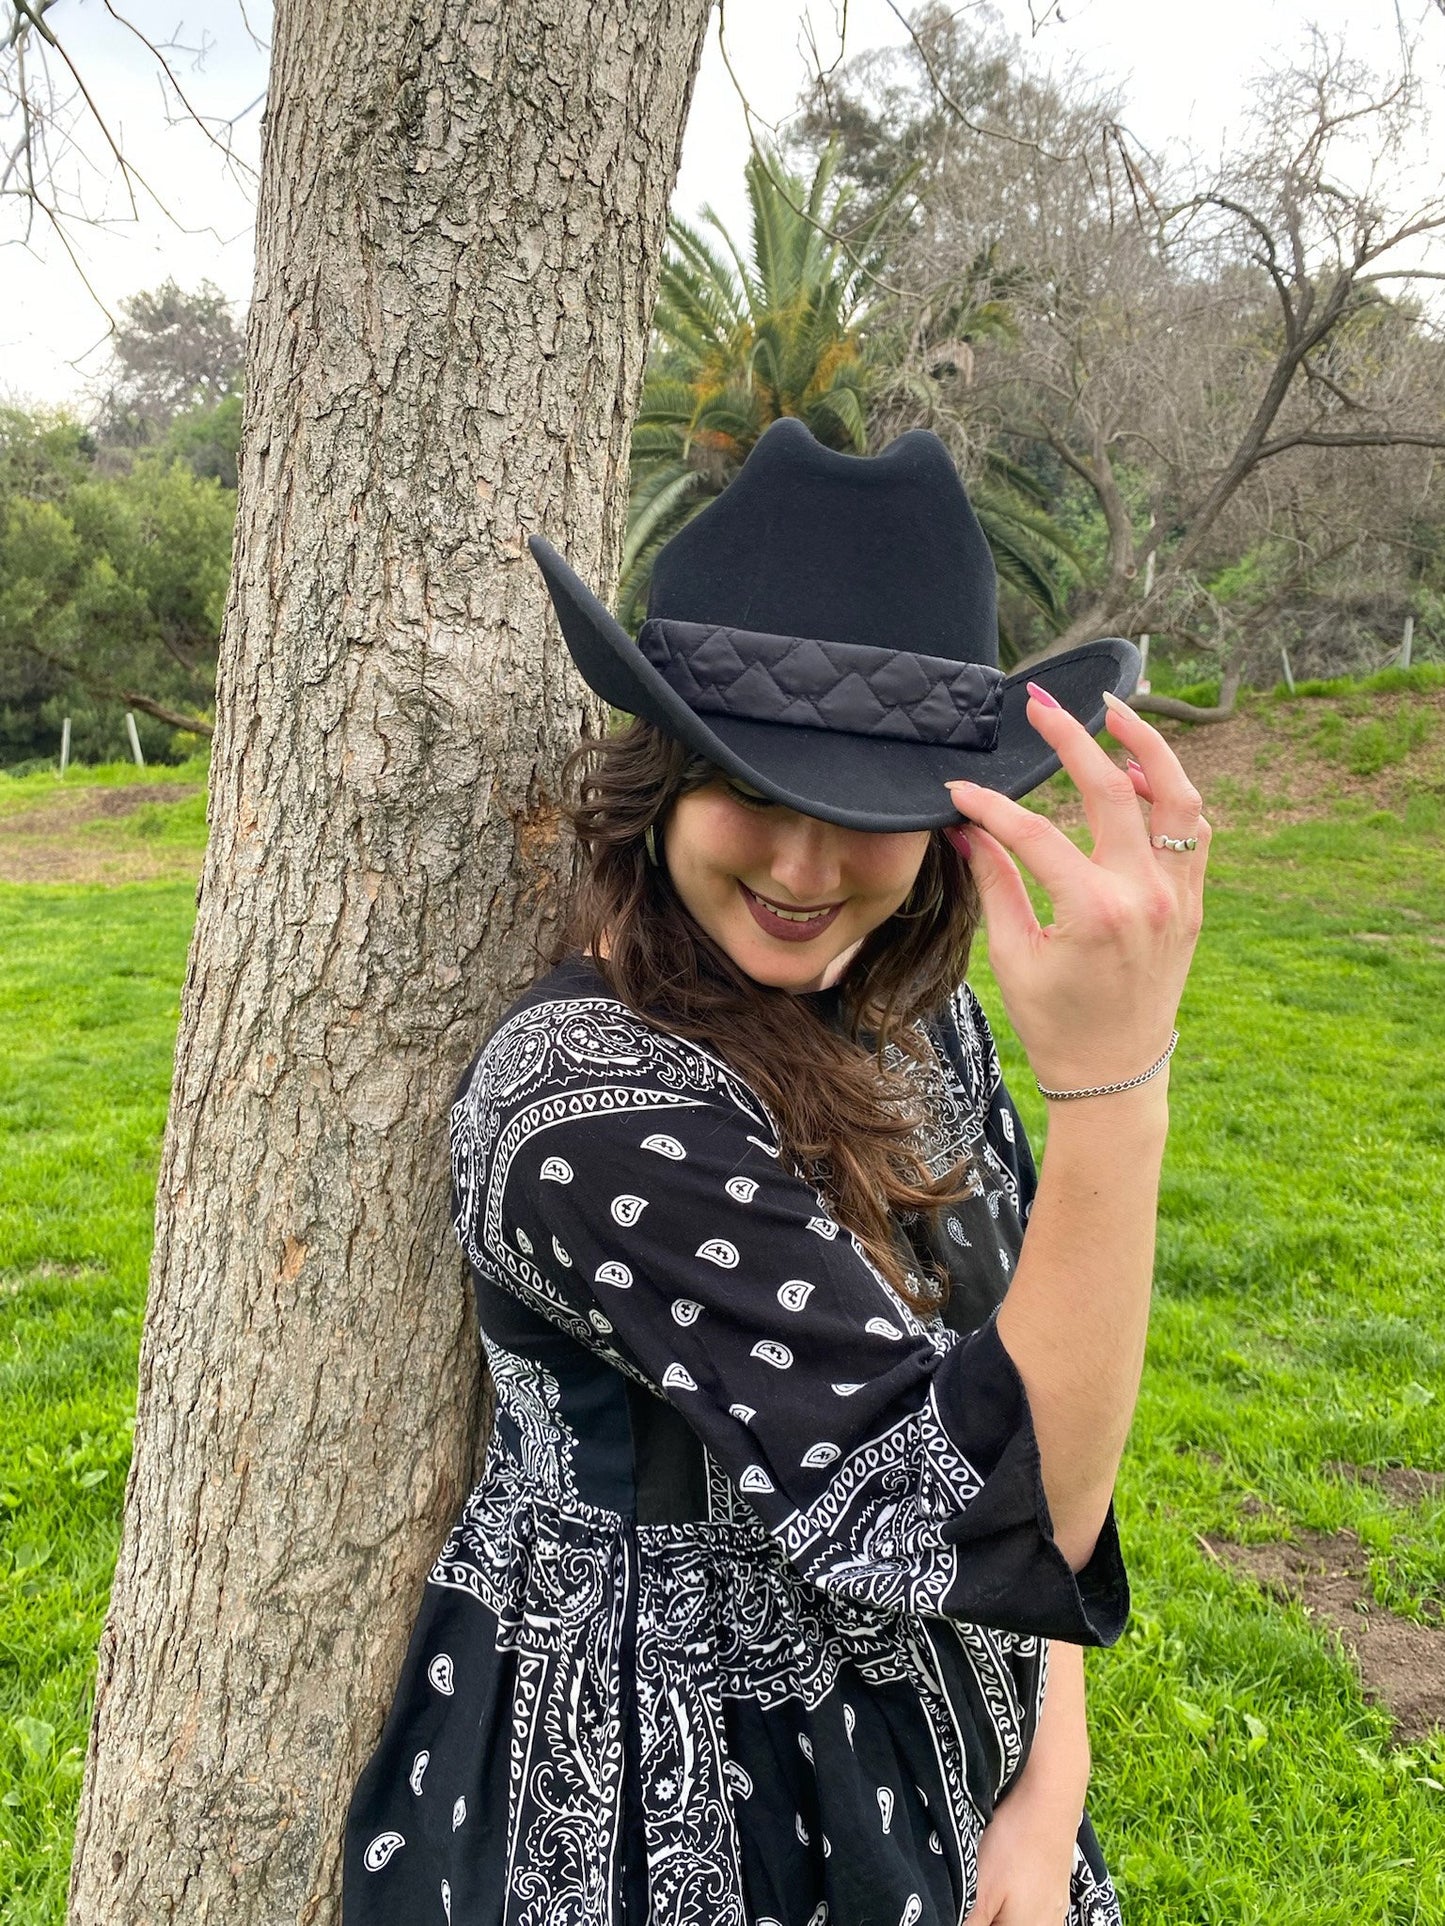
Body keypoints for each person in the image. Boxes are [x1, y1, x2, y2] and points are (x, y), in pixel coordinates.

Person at [341, 418, 1208, 1926]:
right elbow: (950, 1505)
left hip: (955, 1711)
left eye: (869, 812)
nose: (809, 870)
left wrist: (1045, 1758)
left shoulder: (910, 1015)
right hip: (661, 1777)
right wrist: (1116, 1091)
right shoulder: (582, 1109)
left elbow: (1035, 1398)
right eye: (754, 785)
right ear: (657, 776)